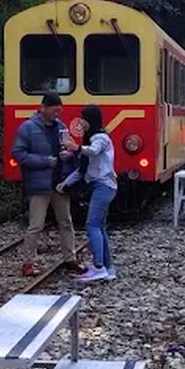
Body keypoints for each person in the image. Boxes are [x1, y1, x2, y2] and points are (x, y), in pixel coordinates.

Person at [10, 92, 82, 277]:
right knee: (36, 225)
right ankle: (28, 262)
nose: (58, 113)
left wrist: (69, 154)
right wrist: (44, 161)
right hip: (39, 185)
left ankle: (70, 258)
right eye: (55, 110)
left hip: (59, 183)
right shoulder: (27, 128)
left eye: (60, 110)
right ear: (44, 108)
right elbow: (18, 153)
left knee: (66, 222)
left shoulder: (61, 127)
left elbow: (69, 146)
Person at [58, 104, 118, 283]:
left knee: (92, 225)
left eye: (84, 118)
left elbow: (94, 151)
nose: (81, 122)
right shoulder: (92, 138)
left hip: (103, 186)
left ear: (90, 120)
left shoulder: (100, 138)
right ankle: (109, 268)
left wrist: (75, 147)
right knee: (100, 227)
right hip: (103, 186)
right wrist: (64, 184)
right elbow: (81, 170)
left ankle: (98, 267)